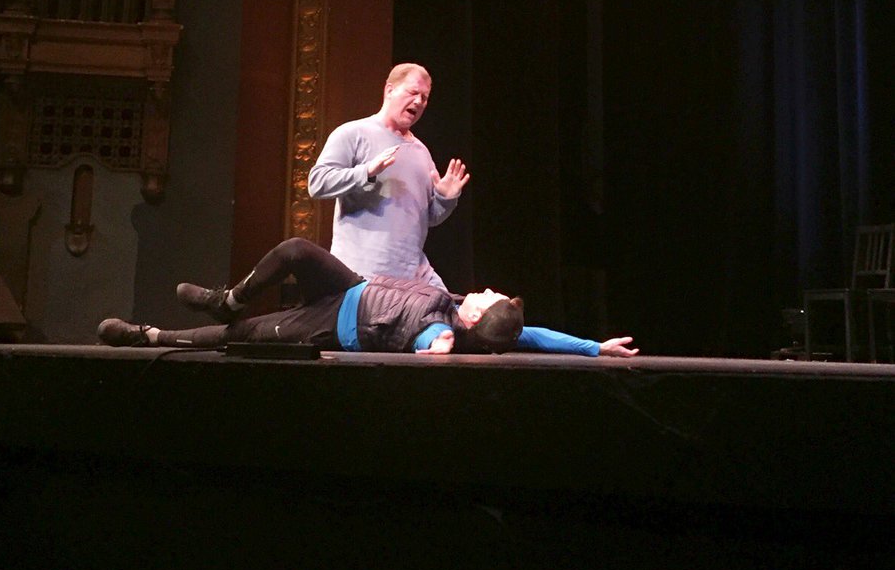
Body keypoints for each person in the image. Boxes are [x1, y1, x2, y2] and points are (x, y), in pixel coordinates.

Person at [96, 236, 639, 359]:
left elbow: (432, 344)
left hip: (332, 325)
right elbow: (534, 335)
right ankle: (229, 298)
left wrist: (438, 350)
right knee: (296, 249)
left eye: (491, 296)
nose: (490, 288)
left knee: (237, 339)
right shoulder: (457, 308)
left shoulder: (443, 329)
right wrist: (594, 347)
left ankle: (149, 336)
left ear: (476, 317)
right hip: (349, 286)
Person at [307, 63, 469, 290]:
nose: (419, 102)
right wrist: (366, 172)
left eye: (424, 98)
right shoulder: (353, 133)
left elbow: (428, 218)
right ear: (389, 90)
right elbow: (317, 183)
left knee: (460, 310)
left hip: (413, 274)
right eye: (413, 92)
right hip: (364, 275)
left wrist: (445, 198)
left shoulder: (422, 153)